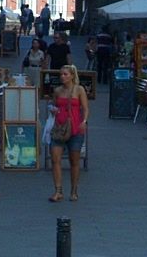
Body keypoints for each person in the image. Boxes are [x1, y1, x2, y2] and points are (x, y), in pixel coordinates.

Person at [48, 65, 89, 203]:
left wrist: (84, 121)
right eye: (61, 74)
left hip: (75, 128)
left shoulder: (79, 90)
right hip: (59, 128)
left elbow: (85, 108)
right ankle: (58, 191)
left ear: (72, 75)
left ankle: (74, 190)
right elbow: (53, 105)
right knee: (55, 159)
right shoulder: (58, 91)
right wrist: (53, 110)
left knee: (74, 161)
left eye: (65, 74)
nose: (62, 77)